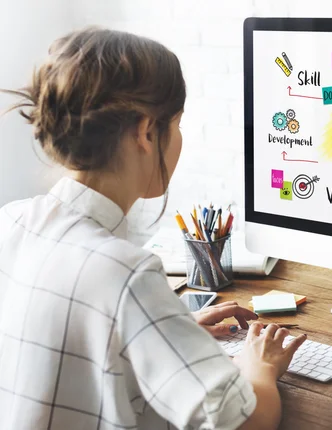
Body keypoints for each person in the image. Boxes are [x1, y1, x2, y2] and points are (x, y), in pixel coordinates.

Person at [0, 27, 306, 430]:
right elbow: (246, 422)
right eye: (176, 124)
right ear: (146, 132)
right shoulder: (126, 273)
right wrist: (258, 366)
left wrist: (164, 329)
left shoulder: (11, 221)